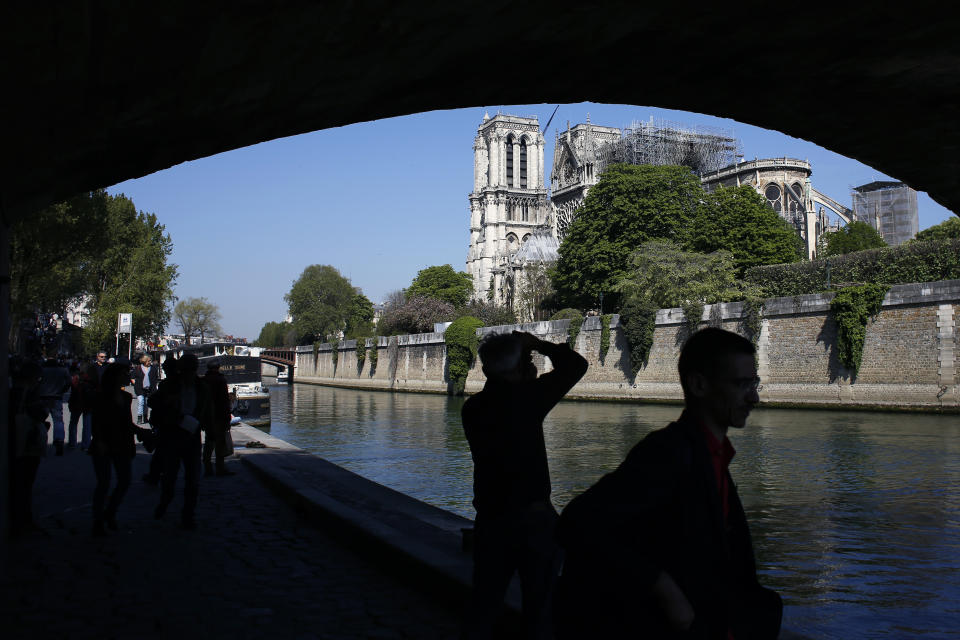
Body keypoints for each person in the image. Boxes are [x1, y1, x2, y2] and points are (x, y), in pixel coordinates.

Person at [554, 328, 782, 640]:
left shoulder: (710, 456)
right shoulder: (668, 453)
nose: (754, 397)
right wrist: (662, 586)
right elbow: (576, 522)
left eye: (753, 383)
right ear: (699, 384)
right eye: (741, 384)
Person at [460, 330, 588, 640]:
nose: (534, 366)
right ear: (517, 369)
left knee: (484, 606)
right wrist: (540, 344)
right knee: (540, 610)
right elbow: (576, 366)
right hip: (533, 520)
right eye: (528, 361)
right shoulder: (527, 399)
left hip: (490, 520)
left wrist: (523, 356)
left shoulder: (472, 409)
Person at [151, 353, 212, 530]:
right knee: (170, 475)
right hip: (172, 434)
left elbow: (207, 409)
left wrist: (208, 427)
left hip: (191, 435)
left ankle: (188, 515)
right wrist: (168, 403)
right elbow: (153, 401)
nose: (188, 373)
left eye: (191, 369)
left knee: (193, 478)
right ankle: (165, 501)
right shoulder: (169, 385)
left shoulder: (202, 387)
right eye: (186, 370)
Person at [90, 363, 150, 536]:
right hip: (104, 443)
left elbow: (126, 423)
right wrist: (99, 440)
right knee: (104, 483)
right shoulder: (101, 397)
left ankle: (109, 512)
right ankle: (98, 520)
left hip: (121, 443)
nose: (126, 376)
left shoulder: (124, 397)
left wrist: (139, 432)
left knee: (124, 481)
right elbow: (97, 422)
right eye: (124, 373)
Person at [8, 359, 50, 536]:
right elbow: (40, 413)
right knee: (24, 483)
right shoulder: (28, 394)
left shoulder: (11, 391)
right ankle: (22, 520)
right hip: (25, 444)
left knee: (17, 483)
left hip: (14, 442)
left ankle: (17, 519)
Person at [202, 359, 234, 477]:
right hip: (219, 416)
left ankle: (207, 468)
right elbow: (224, 401)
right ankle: (220, 468)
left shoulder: (204, 380)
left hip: (207, 416)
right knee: (220, 443)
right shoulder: (221, 380)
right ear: (218, 368)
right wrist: (227, 417)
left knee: (208, 443)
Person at [38, 357, 71, 456]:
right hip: (56, 397)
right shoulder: (63, 370)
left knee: (40, 421)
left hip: (43, 397)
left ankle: (41, 441)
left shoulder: (42, 370)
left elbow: (36, 382)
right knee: (58, 421)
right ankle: (59, 440)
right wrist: (63, 390)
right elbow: (69, 382)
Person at [132, 354, 159, 424]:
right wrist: (135, 383)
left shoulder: (153, 368)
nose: (150, 362)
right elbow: (132, 377)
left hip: (149, 389)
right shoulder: (138, 368)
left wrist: (155, 386)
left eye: (150, 361)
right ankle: (139, 417)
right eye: (149, 361)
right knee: (141, 402)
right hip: (139, 388)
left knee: (146, 403)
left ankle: (145, 417)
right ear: (145, 361)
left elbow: (155, 378)